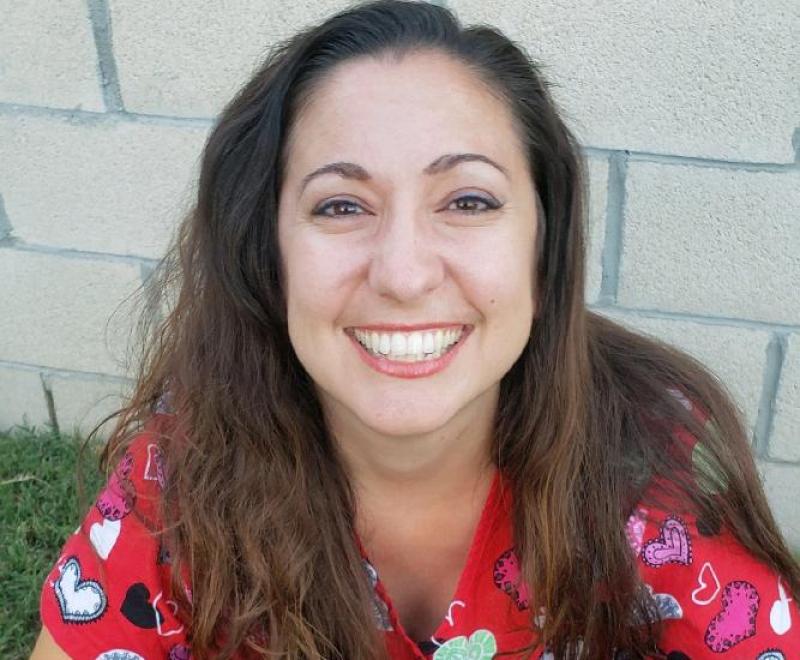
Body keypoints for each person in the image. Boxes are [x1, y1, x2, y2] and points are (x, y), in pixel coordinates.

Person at [30, 1, 800, 658]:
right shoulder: (186, 467)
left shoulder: (651, 475)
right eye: (340, 205)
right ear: (267, 252)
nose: (403, 274)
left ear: (545, 245)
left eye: (467, 201)